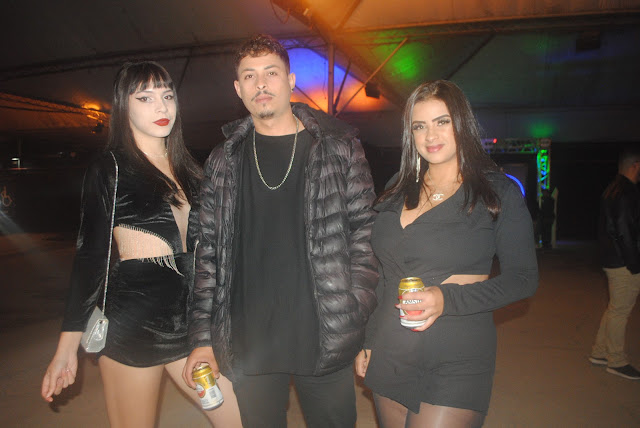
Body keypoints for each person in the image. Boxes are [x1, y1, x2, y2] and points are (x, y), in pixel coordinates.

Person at [182, 34, 379, 428]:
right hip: (248, 338)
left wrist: (355, 310)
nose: (261, 84)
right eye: (249, 76)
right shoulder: (223, 159)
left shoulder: (339, 147)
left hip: (324, 331)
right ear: (238, 89)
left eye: (271, 73)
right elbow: (207, 254)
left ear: (290, 81)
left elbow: (365, 236)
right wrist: (202, 338)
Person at [41, 61, 242, 427]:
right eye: (145, 98)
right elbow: (90, 257)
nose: (161, 107)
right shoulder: (111, 168)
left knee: (239, 417)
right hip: (134, 328)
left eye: (167, 96)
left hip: (192, 327)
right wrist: (67, 348)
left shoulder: (191, 169)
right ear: (124, 106)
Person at [355, 80, 539, 428]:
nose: (431, 135)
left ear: (462, 123)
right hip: (392, 346)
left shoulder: (496, 192)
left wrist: (446, 298)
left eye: (442, 122)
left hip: (457, 350)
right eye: (419, 126)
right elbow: (383, 273)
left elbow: (523, 279)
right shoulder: (397, 186)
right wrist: (369, 340)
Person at [589, 148, 640, 380]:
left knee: (614, 309)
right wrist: (634, 264)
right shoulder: (626, 192)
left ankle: (600, 352)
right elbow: (624, 231)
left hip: (612, 259)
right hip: (623, 262)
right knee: (620, 311)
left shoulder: (612, 189)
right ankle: (617, 361)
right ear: (635, 166)